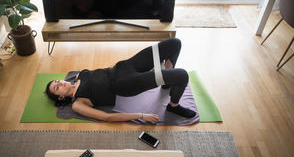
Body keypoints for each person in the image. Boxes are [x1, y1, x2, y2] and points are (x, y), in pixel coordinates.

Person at [45, 38, 196, 124]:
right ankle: (173, 105)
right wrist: (142, 116)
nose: (61, 83)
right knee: (182, 75)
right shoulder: (78, 104)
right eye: (57, 88)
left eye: (58, 81)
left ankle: (167, 82)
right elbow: (107, 117)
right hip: (126, 84)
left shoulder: (78, 76)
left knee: (175, 43)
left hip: (124, 66)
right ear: (60, 97)